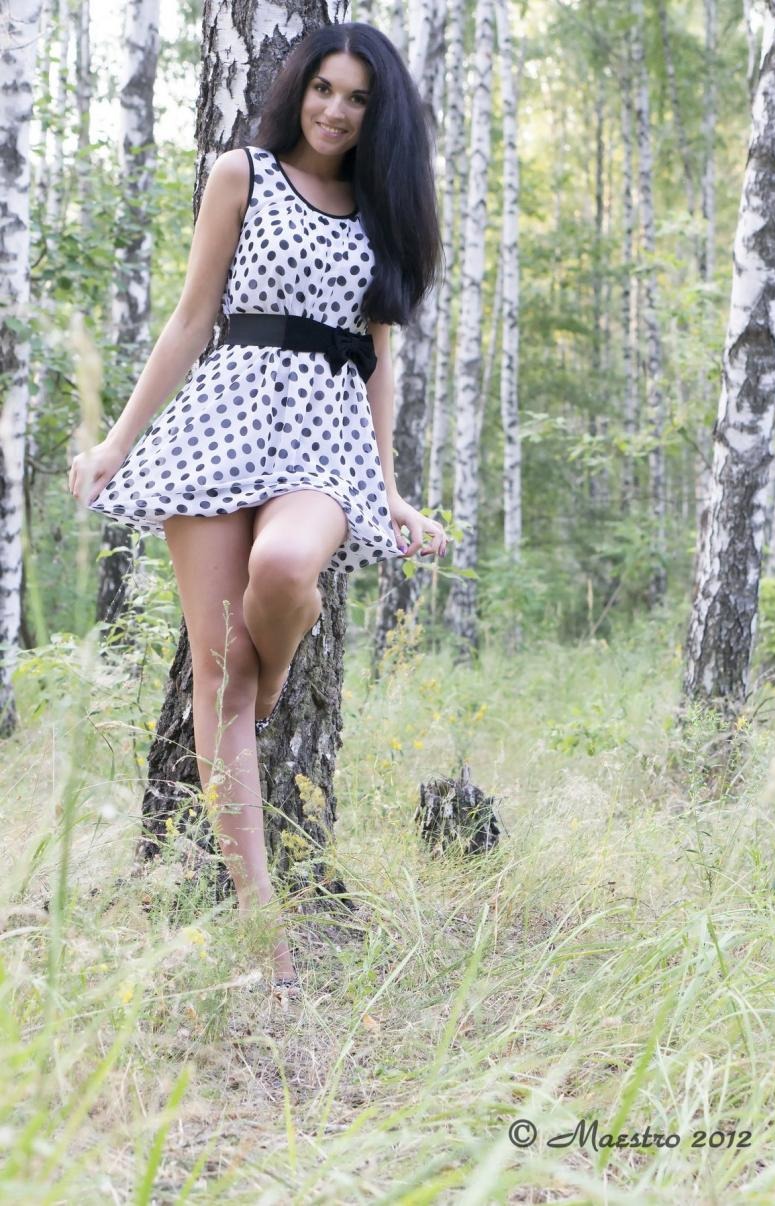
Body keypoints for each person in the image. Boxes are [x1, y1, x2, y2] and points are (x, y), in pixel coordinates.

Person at [68, 22, 448, 998]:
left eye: (356, 97)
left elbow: (378, 359)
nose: (333, 109)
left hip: (321, 436)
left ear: (378, 113)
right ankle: (261, 924)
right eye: (322, 88)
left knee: (285, 573)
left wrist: (391, 488)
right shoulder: (239, 173)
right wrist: (116, 440)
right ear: (298, 90)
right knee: (212, 669)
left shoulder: (381, 210)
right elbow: (191, 318)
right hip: (221, 416)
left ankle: (271, 675)